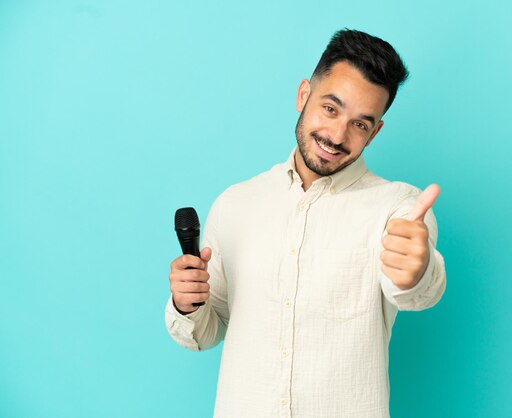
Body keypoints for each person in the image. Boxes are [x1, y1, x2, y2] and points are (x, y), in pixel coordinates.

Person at [165, 28, 446, 418]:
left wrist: (418, 269)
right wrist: (187, 303)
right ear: (303, 96)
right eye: (330, 108)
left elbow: (413, 292)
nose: (336, 135)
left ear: (375, 132)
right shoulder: (235, 204)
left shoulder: (400, 208)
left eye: (360, 124)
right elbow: (207, 331)